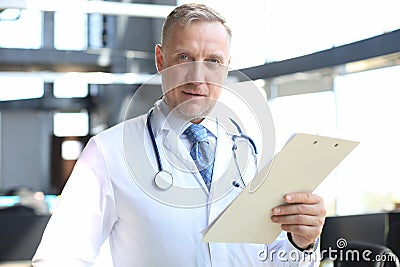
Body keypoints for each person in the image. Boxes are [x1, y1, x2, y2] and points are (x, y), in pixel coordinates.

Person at [32, 3, 326, 266]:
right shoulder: (109, 152)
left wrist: (301, 241)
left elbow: (273, 259)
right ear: (160, 60)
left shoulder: (252, 151)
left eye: (213, 61)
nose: (198, 76)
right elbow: (58, 257)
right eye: (184, 57)